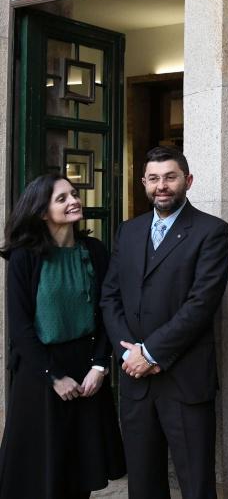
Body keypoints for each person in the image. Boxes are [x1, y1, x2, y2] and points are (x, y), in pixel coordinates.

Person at [101, 146, 228, 499]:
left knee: (196, 485)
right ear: (143, 182)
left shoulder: (212, 231)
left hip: (185, 380)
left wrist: (150, 353)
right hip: (134, 382)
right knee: (143, 485)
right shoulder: (128, 231)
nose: (162, 186)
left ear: (188, 181)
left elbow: (201, 304)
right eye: (154, 178)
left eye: (170, 177)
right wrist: (129, 354)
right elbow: (110, 297)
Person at [0, 174, 125, 498]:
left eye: (74, 194)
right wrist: (54, 376)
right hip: (40, 373)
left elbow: (108, 312)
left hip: (87, 370)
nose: (74, 200)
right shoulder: (24, 256)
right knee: (41, 475)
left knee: (81, 472)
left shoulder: (94, 250)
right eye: (62, 198)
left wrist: (99, 366)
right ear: (42, 212)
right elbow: (20, 328)